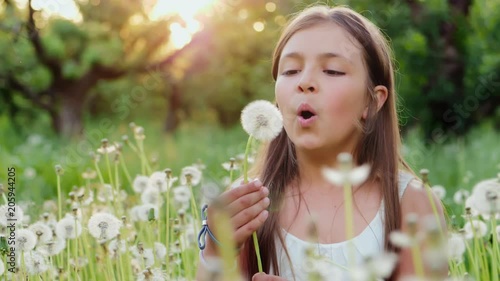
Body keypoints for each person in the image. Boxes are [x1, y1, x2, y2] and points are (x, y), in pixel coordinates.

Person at [196, 4, 446, 281]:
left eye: (332, 71)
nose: (305, 82)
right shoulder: (249, 205)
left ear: (372, 102)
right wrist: (216, 252)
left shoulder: (411, 203)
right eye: (290, 71)